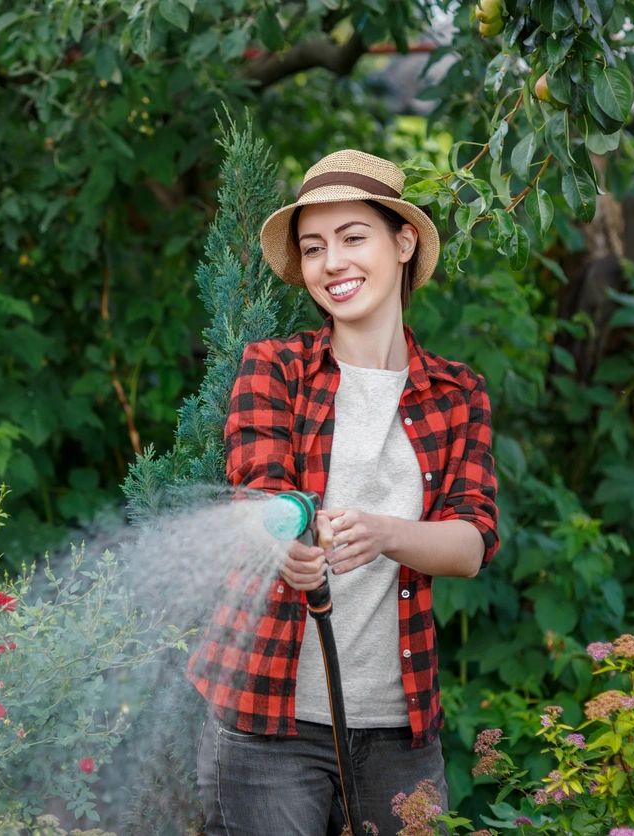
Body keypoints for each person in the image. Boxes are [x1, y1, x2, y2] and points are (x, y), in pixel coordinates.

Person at [188, 149, 500, 835]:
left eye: (354, 237)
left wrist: (385, 533)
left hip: (399, 726)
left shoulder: (456, 392)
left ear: (403, 241)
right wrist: (284, 548)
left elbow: (471, 541)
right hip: (269, 715)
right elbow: (258, 495)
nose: (333, 263)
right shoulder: (274, 369)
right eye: (313, 248)